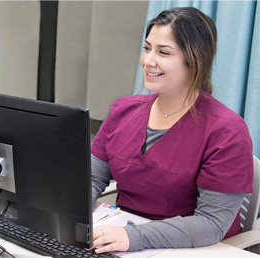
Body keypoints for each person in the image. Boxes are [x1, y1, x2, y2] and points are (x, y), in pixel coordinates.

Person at [91, 7, 253, 254]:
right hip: (121, 240)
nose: (148, 61)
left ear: (196, 59)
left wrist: (134, 236)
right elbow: (90, 179)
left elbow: (212, 223)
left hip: (191, 248)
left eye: (163, 52)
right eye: (147, 48)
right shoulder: (122, 110)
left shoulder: (226, 131)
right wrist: (67, 213)